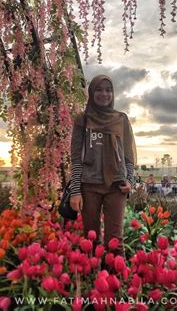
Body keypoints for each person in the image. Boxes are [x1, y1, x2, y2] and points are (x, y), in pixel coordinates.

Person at [69, 74, 137, 257]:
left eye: (108, 90)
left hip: (117, 186)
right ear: (91, 93)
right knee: (90, 240)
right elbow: (76, 158)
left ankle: (115, 283)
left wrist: (130, 181)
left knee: (115, 241)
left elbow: (128, 156)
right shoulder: (82, 120)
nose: (104, 94)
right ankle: (91, 281)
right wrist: (75, 191)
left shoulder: (121, 119)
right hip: (89, 187)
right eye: (99, 89)